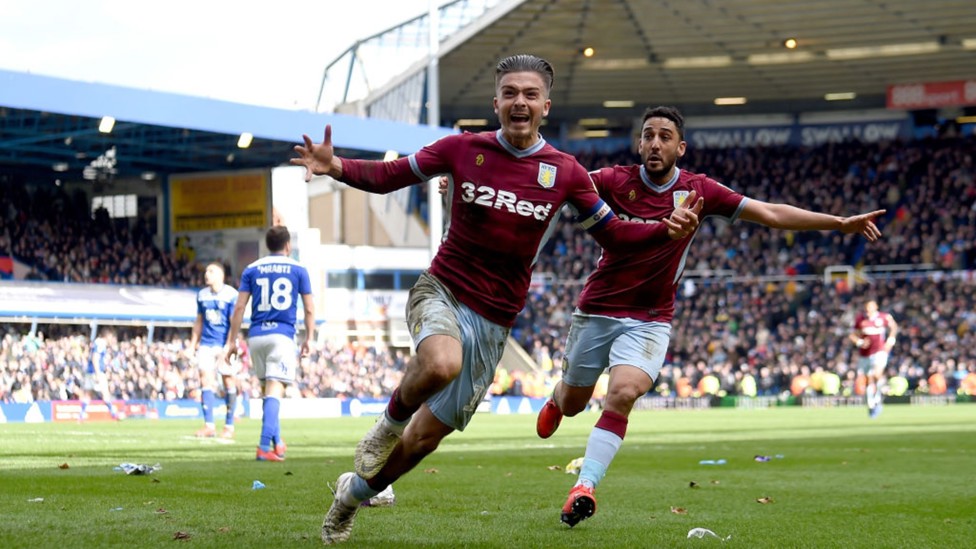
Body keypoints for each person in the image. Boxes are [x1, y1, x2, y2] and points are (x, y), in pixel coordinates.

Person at [291, 54, 702, 544]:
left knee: (423, 442)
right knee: (440, 364)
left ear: (545, 106)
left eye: (530, 94)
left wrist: (663, 230)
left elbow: (614, 235)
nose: (519, 102)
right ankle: (386, 425)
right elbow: (391, 175)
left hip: (494, 319)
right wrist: (334, 165)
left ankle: (354, 494)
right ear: (496, 103)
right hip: (442, 289)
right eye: (510, 94)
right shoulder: (462, 149)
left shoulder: (565, 173)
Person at [534, 105, 886, 527]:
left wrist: (838, 223)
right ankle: (558, 398)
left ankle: (585, 486)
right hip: (597, 309)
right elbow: (552, 191)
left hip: (650, 316)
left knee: (623, 393)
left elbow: (770, 213)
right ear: (639, 143)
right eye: (648, 135)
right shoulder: (612, 180)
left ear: (680, 147)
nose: (655, 143)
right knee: (574, 402)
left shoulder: (699, 191)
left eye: (665, 136)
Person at [225, 226, 315, 462]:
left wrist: (232, 341)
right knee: (276, 391)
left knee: (268, 391)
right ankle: (264, 447)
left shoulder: (252, 269)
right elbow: (309, 308)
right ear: (288, 246)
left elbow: (239, 308)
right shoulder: (299, 269)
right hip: (282, 336)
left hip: (256, 337)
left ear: (267, 246)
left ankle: (277, 443)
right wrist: (309, 338)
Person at [190, 262, 240, 439]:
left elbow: (234, 322)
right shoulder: (202, 295)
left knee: (228, 382)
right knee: (205, 380)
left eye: (211, 271)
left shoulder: (231, 294)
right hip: (206, 344)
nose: (206, 274)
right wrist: (192, 344)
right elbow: (199, 321)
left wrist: (229, 345)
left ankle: (229, 425)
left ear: (221, 275)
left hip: (225, 344)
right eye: (205, 271)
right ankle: (209, 425)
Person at [849, 299, 898, 417]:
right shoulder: (861, 319)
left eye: (870, 308)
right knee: (867, 380)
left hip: (879, 352)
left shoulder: (884, 317)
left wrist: (891, 340)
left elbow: (894, 327)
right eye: (866, 308)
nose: (868, 311)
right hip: (865, 355)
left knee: (876, 375)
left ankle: (877, 399)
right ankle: (871, 404)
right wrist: (860, 342)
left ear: (875, 307)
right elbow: (852, 335)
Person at [80, 328, 120, 421]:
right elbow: (95, 357)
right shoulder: (101, 343)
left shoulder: (96, 342)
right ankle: (113, 414)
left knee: (88, 395)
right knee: (105, 393)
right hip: (96, 372)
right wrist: (98, 372)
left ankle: (81, 415)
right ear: (108, 336)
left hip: (89, 371)